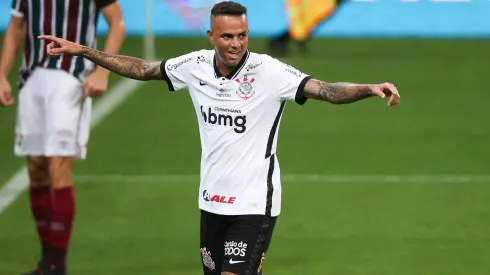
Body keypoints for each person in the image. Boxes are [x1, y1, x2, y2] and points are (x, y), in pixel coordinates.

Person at [38, 1, 400, 274]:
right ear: (211, 36)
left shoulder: (269, 72)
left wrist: (369, 87)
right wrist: (84, 51)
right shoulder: (194, 66)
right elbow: (143, 69)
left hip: (254, 204)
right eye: (227, 36)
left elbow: (325, 90)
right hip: (211, 199)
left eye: (242, 35)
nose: (236, 43)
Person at [0, 0, 126, 274]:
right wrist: (1, 74)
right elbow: (16, 27)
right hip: (32, 77)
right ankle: (46, 260)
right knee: (36, 166)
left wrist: (102, 71)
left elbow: (117, 23)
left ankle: (58, 263)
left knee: (58, 163)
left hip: (72, 77)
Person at [268, 0, 346, 56]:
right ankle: (280, 40)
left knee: (306, 25)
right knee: (304, 24)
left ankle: (286, 40)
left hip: (325, 5)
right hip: (318, 5)